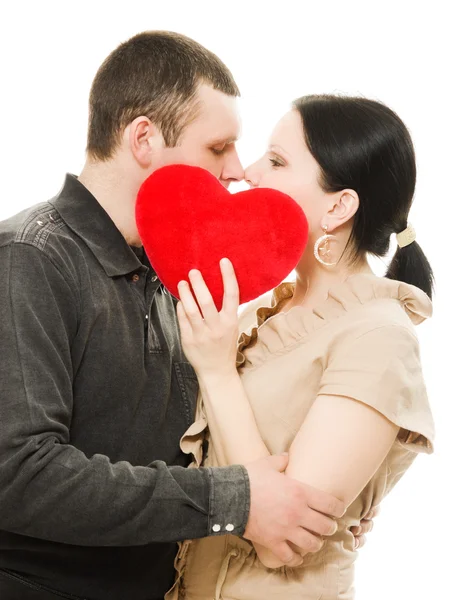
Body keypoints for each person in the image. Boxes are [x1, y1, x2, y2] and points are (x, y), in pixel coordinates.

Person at [0, 31, 371, 600]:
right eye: (218, 147)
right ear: (143, 138)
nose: (236, 169)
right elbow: (18, 474)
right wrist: (235, 502)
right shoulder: (30, 256)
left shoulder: (174, 274)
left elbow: (174, 444)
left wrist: (317, 498)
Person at [167, 95, 435, 599]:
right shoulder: (261, 314)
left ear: (338, 206)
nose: (247, 170)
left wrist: (218, 370)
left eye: (276, 160)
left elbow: (279, 542)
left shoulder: (378, 335)